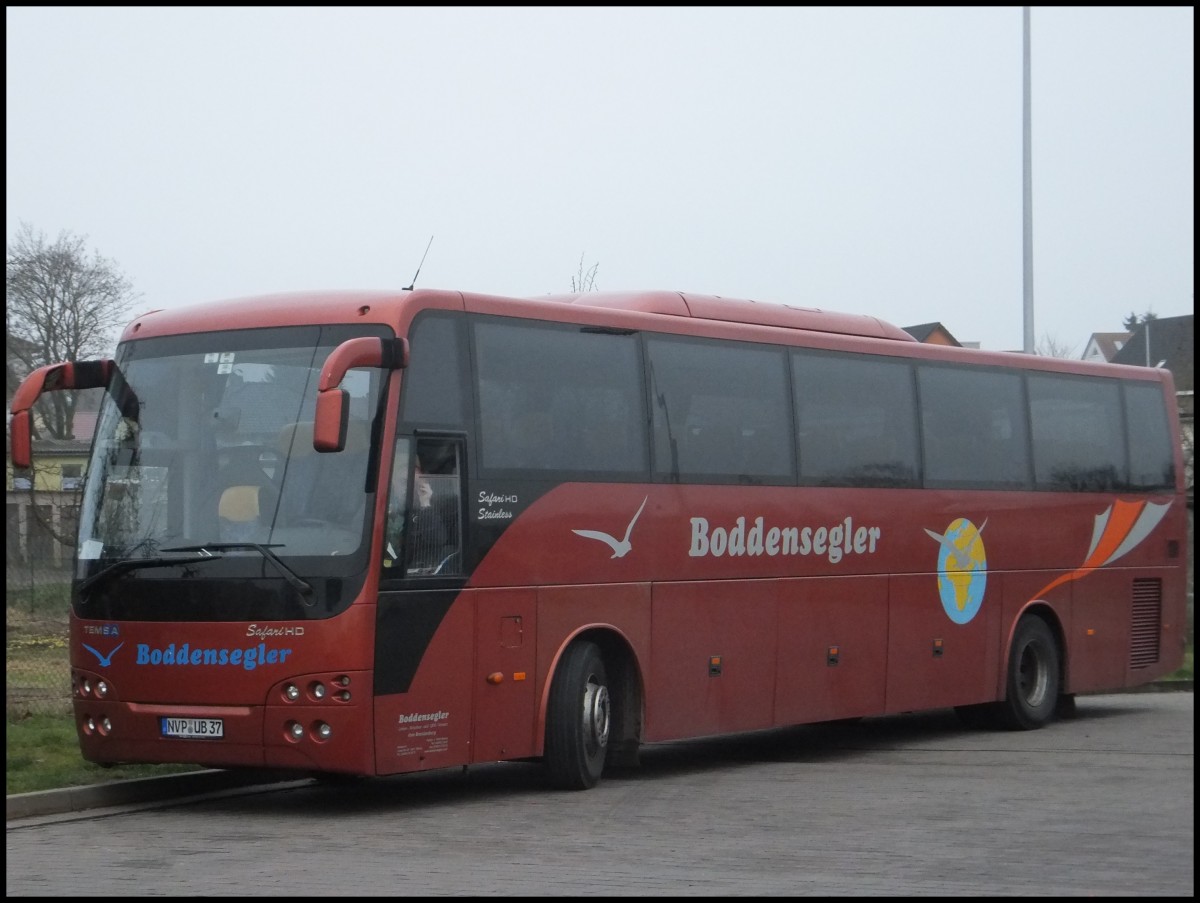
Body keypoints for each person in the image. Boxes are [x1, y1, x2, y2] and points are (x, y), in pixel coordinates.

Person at [385, 460, 447, 574]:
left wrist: (425, 503)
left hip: (411, 572)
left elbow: (439, 539)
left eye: (415, 484)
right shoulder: (381, 504)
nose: (409, 488)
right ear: (393, 483)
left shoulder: (426, 511)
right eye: (404, 482)